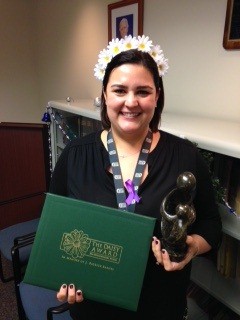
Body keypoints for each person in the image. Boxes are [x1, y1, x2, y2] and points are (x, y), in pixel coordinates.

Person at [49, 35, 222, 320]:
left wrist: (192, 247)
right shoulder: (76, 155)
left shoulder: (185, 156)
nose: (131, 102)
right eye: (119, 90)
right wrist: (60, 274)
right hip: (94, 305)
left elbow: (211, 224)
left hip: (161, 306)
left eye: (143, 91)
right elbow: (54, 226)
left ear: (157, 96)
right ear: (105, 95)